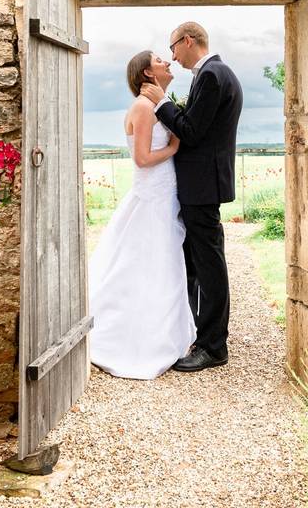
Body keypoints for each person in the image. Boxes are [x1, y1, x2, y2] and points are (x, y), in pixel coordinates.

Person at [139, 21, 243, 372]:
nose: (171, 56)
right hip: (203, 184)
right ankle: (201, 335)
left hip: (203, 186)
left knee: (209, 264)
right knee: (200, 263)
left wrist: (163, 102)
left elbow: (193, 133)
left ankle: (214, 346)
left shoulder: (212, 75)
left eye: (172, 48)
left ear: (187, 41)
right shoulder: (214, 73)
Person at [87, 51, 196, 380]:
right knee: (149, 265)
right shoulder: (143, 107)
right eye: (161, 60)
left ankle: (169, 335)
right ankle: (136, 342)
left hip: (164, 195)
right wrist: (175, 148)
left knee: (164, 265)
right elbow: (143, 159)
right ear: (148, 72)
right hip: (153, 197)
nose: (168, 63)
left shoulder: (156, 105)